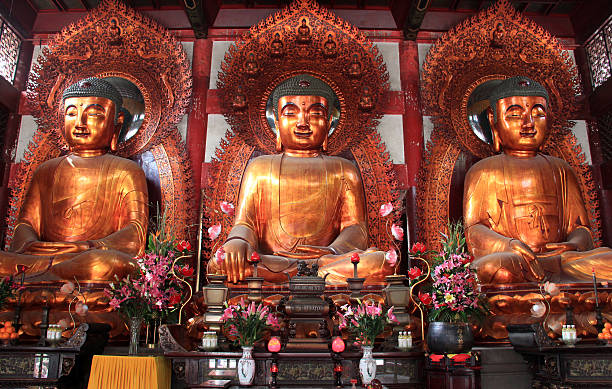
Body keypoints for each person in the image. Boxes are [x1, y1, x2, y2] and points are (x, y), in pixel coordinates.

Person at [210, 75, 391, 284]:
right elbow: (245, 223)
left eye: (315, 113)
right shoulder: (259, 168)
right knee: (222, 263)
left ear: (329, 122)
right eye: (290, 113)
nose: (303, 123)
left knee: (380, 262)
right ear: (277, 123)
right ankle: (316, 277)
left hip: (327, 260)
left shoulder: (343, 169)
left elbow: (356, 229)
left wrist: (329, 251)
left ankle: (311, 274)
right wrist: (237, 241)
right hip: (275, 261)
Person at [464, 76, 612, 284]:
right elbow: (474, 230)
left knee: (608, 259)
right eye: (515, 115)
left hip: (563, 260)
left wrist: (573, 245)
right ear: (492, 120)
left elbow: (581, 229)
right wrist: (509, 245)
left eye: (538, 114)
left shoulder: (561, 168)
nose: (528, 123)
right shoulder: (484, 171)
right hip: (517, 260)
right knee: (492, 269)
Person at [0, 78, 148, 281]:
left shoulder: (127, 170)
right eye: (71, 114)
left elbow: (135, 234)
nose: (80, 123)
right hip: (41, 256)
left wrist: (89, 246)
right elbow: (25, 225)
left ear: (117, 121)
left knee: (105, 263)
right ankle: (48, 278)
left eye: (94, 115)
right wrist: (31, 245)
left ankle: (34, 282)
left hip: (88, 258)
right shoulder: (46, 170)